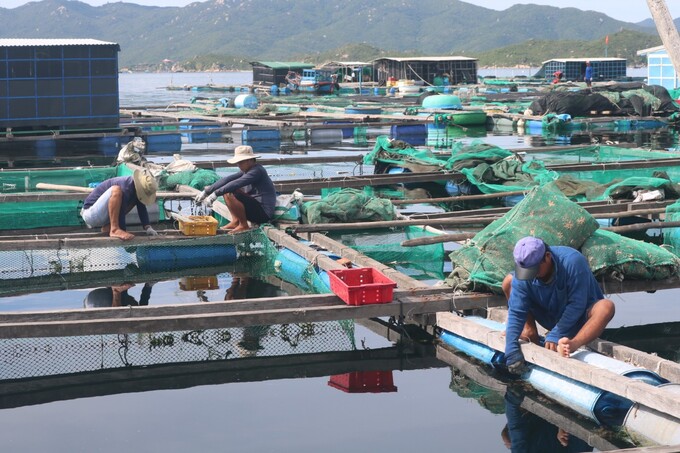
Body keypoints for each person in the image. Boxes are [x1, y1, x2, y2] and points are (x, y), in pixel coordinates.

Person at [502, 236, 615, 374]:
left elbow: (577, 305)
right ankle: (530, 332)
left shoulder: (573, 261)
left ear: (547, 257)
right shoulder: (524, 272)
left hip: (580, 318)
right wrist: (511, 348)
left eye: (534, 271)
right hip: (548, 314)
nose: (531, 276)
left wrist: (556, 334)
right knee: (509, 282)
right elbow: (516, 311)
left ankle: (572, 344)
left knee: (606, 307)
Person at [194, 145, 276, 234]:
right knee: (226, 190)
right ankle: (235, 221)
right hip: (255, 209)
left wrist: (215, 194)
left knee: (230, 191)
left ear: (249, 160)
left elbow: (237, 183)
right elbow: (227, 180)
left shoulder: (257, 171)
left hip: (263, 213)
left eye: (241, 162)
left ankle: (243, 225)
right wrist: (207, 192)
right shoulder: (246, 171)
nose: (238, 165)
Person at [81, 169, 158, 241]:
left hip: (101, 216)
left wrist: (148, 227)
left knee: (135, 200)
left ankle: (109, 227)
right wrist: (123, 231)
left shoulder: (135, 191)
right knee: (116, 190)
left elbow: (141, 207)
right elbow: (121, 209)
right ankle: (114, 229)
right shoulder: (126, 186)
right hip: (90, 214)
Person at [83, 282, 154, 308]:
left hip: (99, 303)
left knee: (118, 311)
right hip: (91, 299)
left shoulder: (124, 302)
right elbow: (144, 301)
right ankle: (115, 289)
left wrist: (116, 291)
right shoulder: (125, 296)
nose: (135, 300)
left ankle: (115, 290)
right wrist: (148, 286)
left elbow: (116, 311)